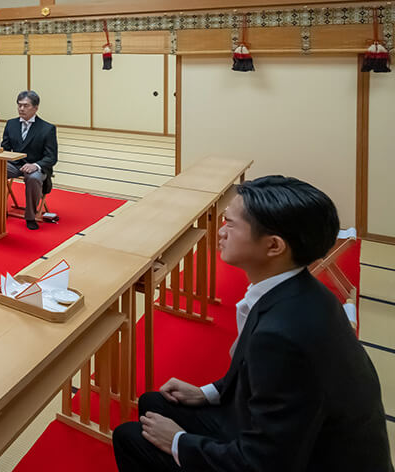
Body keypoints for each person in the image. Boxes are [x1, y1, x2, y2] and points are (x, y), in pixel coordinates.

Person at [113, 176, 392, 472]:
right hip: (289, 434)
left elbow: (264, 463)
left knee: (129, 437)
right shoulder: (301, 290)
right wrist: (207, 393)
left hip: (306, 459)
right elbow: (259, 377)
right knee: (154, 403)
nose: (220, 232)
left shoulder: (283, 336)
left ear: (273, 246)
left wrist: (178, 442)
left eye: (230, 225)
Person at [0, 90, 57, 231]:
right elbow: (5, 148)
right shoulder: (11, 124)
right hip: (15, 164)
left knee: (33, 178)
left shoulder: (47, 128)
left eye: (26, 106)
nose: (21, 109)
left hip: (36, 166)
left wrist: (36, 165)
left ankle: (30, 216)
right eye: (19, 105)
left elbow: (51, 157)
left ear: (36, 108)